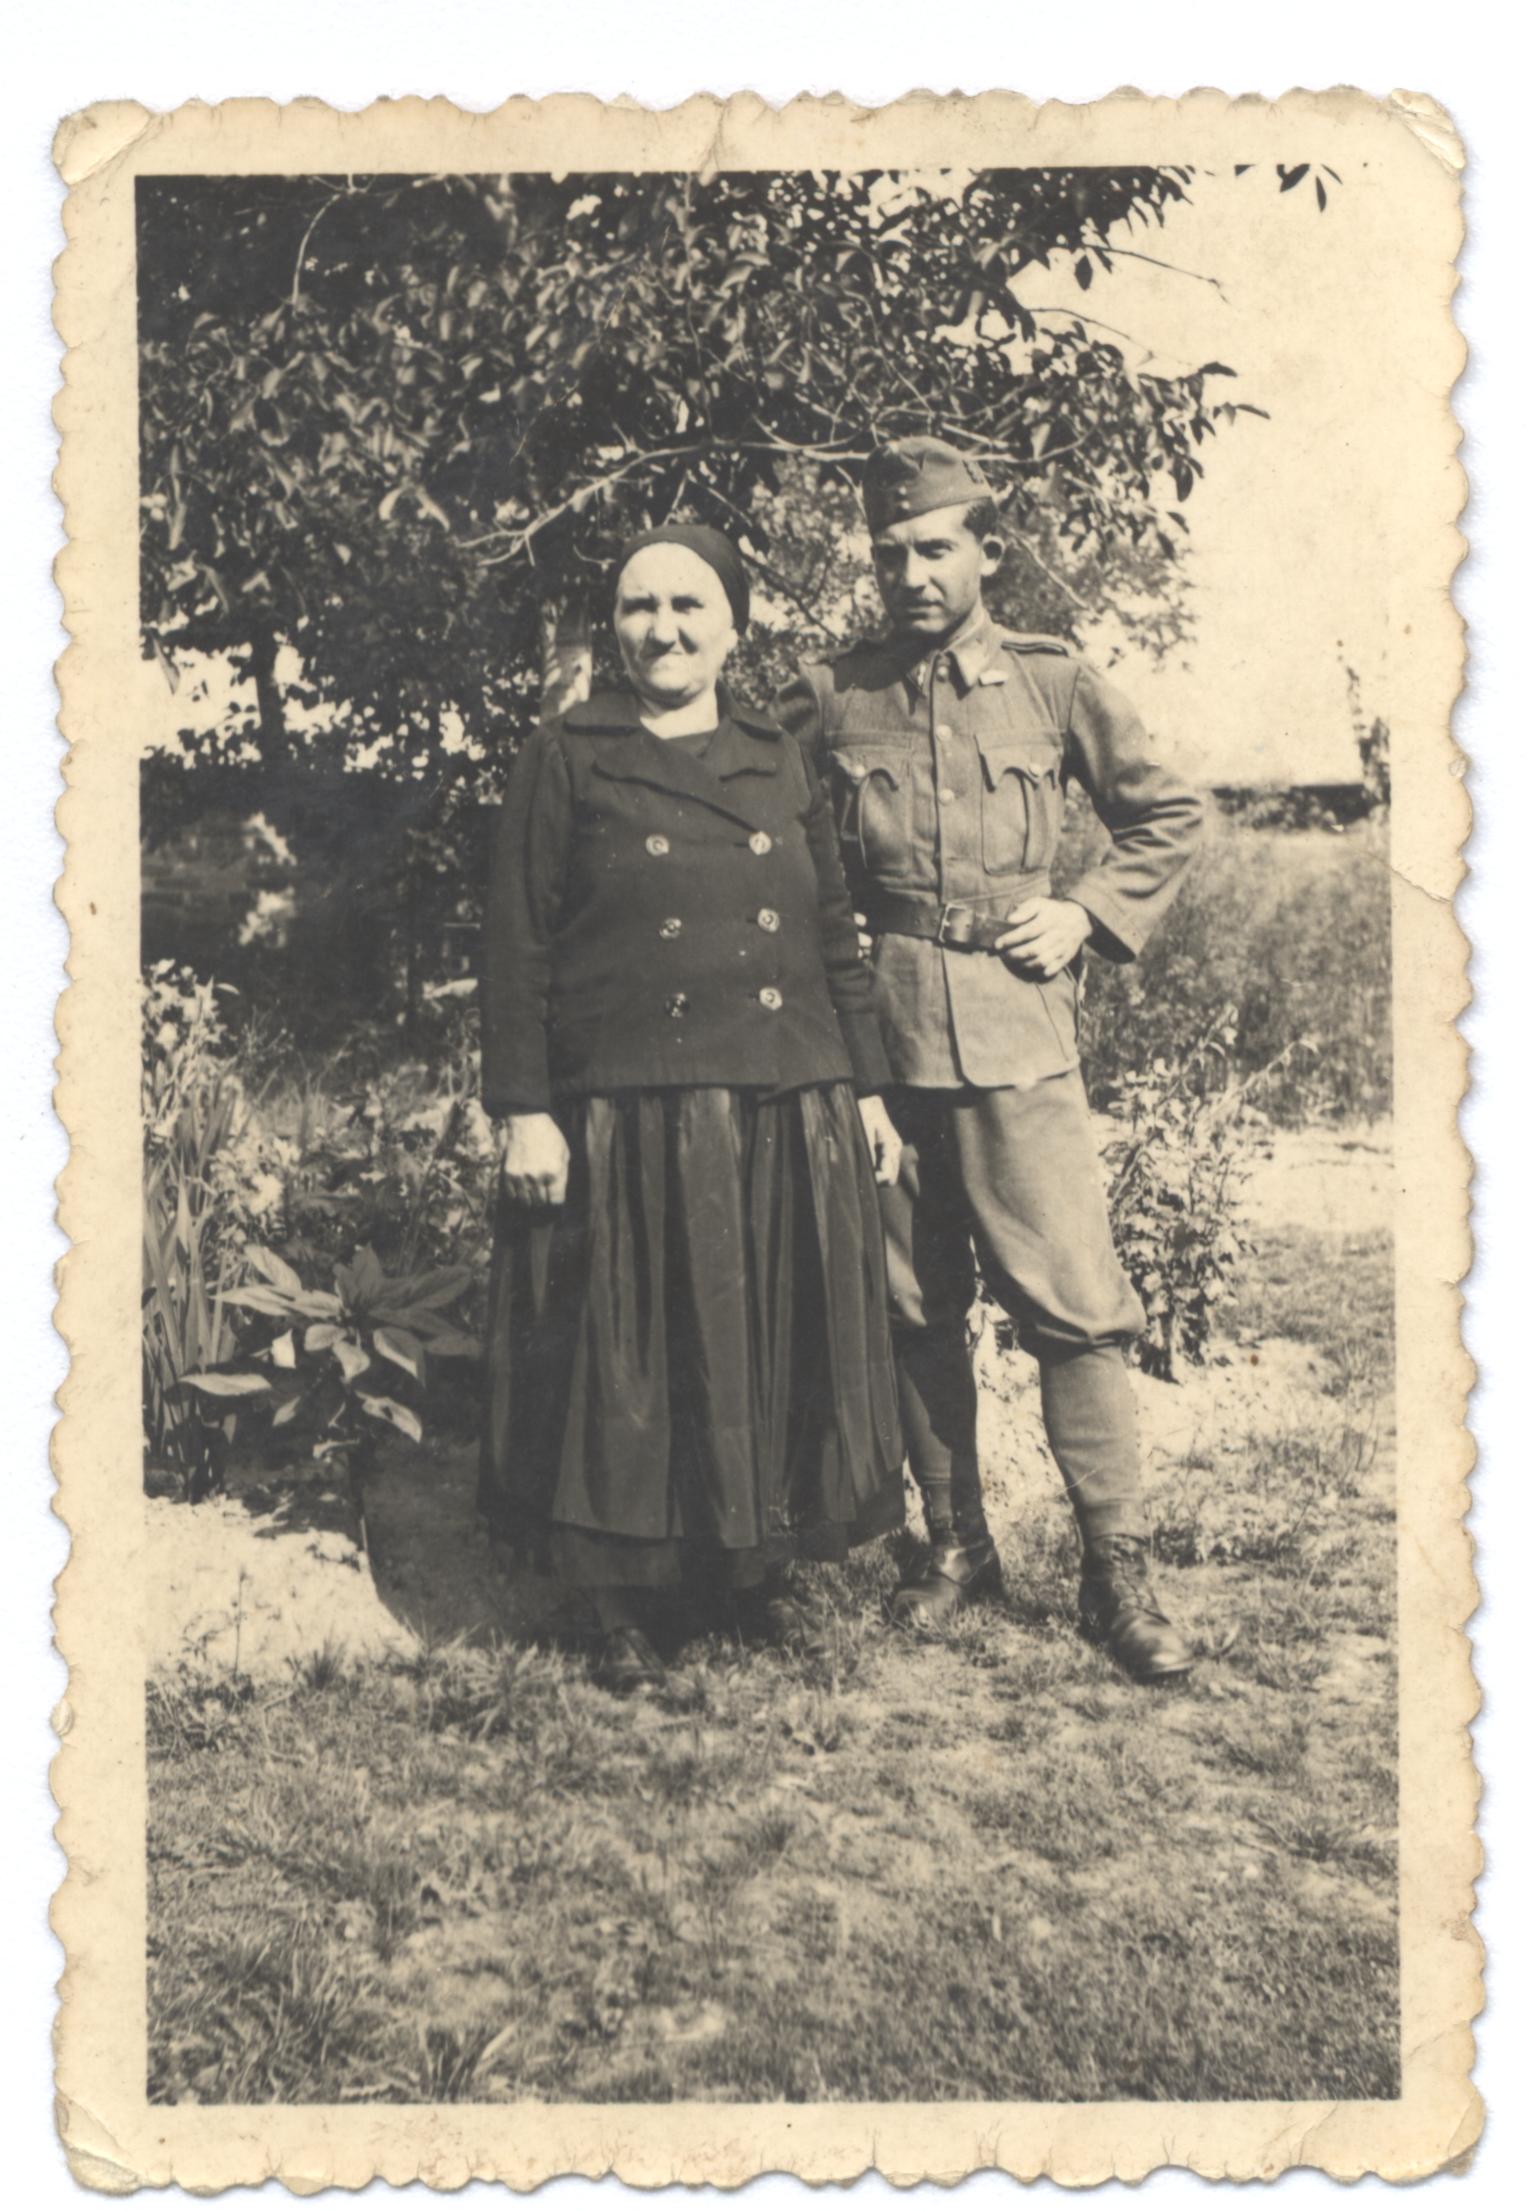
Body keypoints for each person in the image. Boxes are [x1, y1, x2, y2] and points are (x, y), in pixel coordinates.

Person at [775, 437, 1205, 1682]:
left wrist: (1082, 911)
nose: (909, 574)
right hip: (883, 1039)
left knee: (1074, 1307)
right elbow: (766, 836)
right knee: (912, 1303)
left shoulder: (1053, 684)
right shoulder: (832, 695)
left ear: (987, 553)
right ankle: (957, 1547)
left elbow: (1168, 813)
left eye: (933, 549)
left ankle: (1115, 1575)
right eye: (888, 553)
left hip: (1019, 1038)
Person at [478, 522, 906, 1695]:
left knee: (755, 1337)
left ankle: (737, 1572)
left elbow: (832, 937)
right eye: (637, 607)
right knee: (630, 1351)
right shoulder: (567, 754)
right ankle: (621, 1599)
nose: (661, 630)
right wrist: (523, 1108)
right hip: (627, 1100)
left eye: (687, 606)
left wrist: (866, 1090)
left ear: (734, 626)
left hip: (780, 1090)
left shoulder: (779, 755)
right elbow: (515, 943)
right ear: (613, 627)